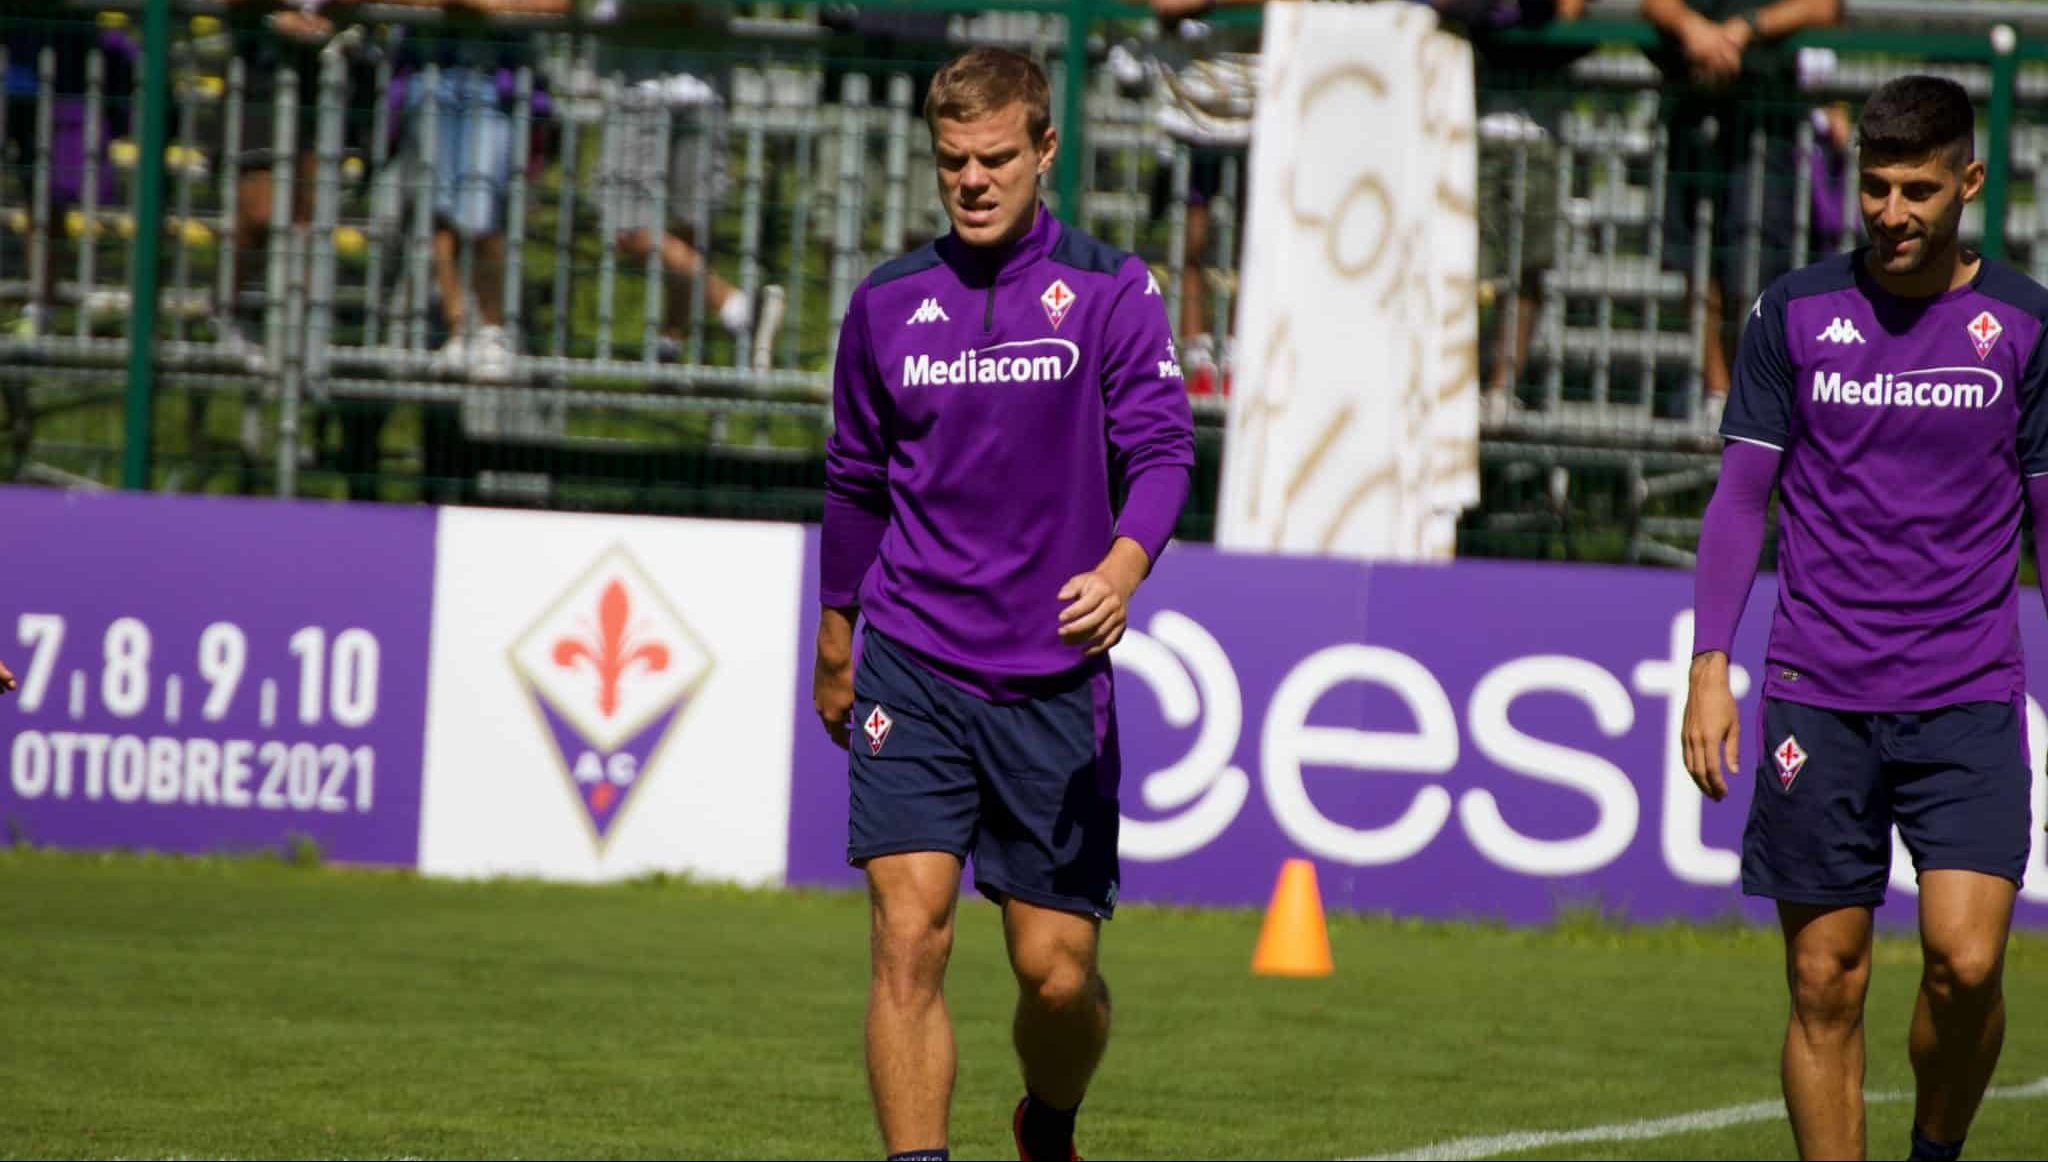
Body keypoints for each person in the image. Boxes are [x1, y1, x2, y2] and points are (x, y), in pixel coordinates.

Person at [812, 46, 1195, 1162]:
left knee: (1055, 973)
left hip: (1049, 678)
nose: (971, 182)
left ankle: (1049, 1121)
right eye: (950, 164)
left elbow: (1165, 454)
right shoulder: (886, 305)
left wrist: (1120, 570)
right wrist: (837, 631)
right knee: (907, 935)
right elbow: (852, 480)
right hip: (912, 662)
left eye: (992, 160)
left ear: (1043, 151)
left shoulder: (1112, 292)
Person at [1682, 76, 2044, 1162]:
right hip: (1816, 693)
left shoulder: (2022, 328)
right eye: (1874, 188)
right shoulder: (1790, 313)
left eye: (1917, 191)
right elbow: (1740, 497)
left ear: (1968, 185)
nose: (1890, 212)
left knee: (1966, 962)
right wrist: (1711, 663)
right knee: (1820, 979)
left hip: (1966, 697)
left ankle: (1933, 1147)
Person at [1640, 0, 1844, 426]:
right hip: (1692, 114)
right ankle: (1719, 394)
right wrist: (1693, 28)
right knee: (1698, 266)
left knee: (1758, 274)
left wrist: (1744, 28)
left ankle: (1759, 391)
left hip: (1768, 123)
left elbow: (1824, 7)